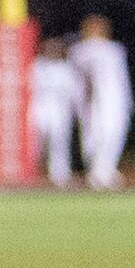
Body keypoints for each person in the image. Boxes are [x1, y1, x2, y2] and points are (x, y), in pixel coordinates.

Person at [69, 14, 131, 189]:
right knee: (94, 136)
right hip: (94, 100)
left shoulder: (114, 49)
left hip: (117, 98)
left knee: (114, 134)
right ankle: (97, 171)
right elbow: (83, 79)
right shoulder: (81, 50)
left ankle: (106, 169)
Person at [30, 35, 81, 187]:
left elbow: (74, 93)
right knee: (35, 144)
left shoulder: (66, 68)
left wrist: (76, 112)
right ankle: (30, 173)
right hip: (39, 108)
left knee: (59, 143)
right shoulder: (36, 66)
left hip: (60, 110)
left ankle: (60, 175)